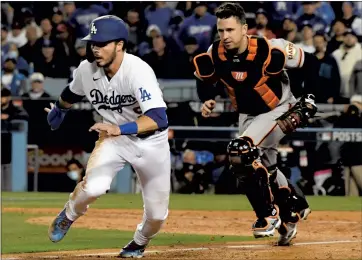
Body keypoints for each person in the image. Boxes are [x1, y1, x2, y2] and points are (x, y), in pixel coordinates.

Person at [45, 15, 170, 258]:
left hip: (151, 142)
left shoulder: (138, 71)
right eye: (93, 43)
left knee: (156, 215)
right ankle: (69, 214)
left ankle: (138, 243)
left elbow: (158, 118)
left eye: (102, 43)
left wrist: (120, 128)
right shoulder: (86, 70)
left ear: (120, 44)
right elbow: (71, 93)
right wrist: (60, 109)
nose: (96, 48)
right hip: (114, 140)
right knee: (94, 186)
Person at [194, 2, 316, 246]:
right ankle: (291, 214)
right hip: (248, 115)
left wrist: (309, 96)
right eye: (221, 31)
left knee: (241, 152)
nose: (225, 36)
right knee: (265, 169)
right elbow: (204, 78)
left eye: (230, 30)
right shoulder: (215, 52)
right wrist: (206, 98)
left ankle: (267, 216)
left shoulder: (270, 47)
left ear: (244, 28)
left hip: (278, 108)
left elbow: (310, 63)